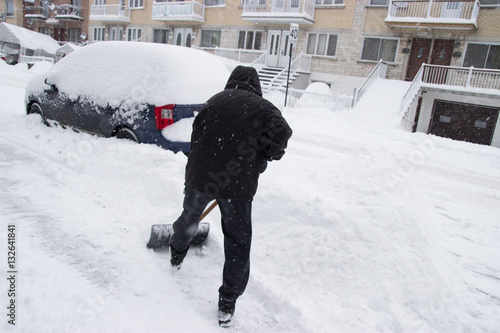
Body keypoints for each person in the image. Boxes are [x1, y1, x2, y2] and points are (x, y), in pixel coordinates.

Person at [169, 65, 292, 327]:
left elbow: (197, 138)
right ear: (255, 86)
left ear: (231, 81)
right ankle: (227, 303)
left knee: (190, 217)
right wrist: (266, 153)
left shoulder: (213, 101)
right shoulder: (264, 108)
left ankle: (176, 254)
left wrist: (203, 170)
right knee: (237, 240)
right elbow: (281, 132)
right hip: (237, 184)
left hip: (201, 177)